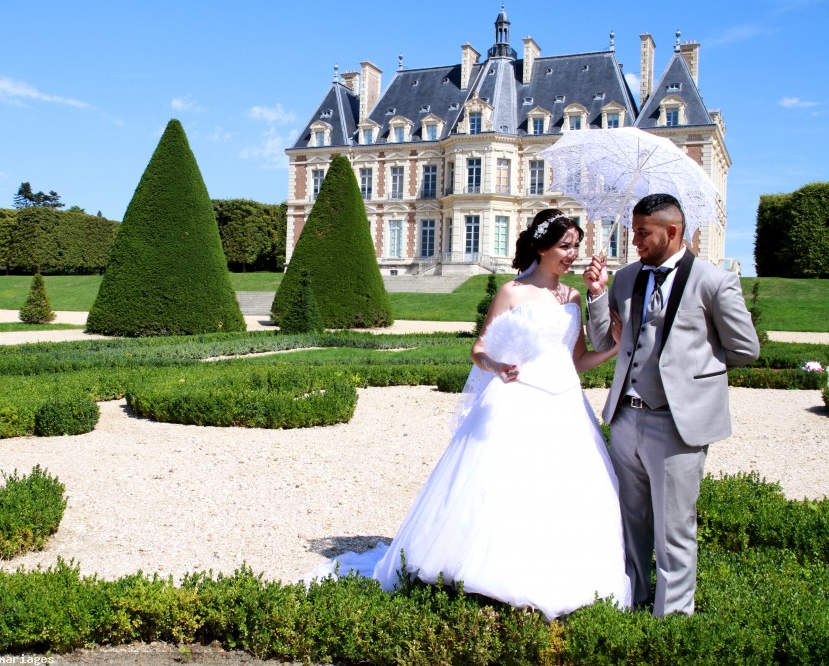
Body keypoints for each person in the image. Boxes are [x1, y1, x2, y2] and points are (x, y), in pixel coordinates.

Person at [310, 210, 631, 620]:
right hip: (517, 399)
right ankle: (491, 573)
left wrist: (614, 348)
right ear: (541, 247)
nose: (572, 254)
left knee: (562, 491)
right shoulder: (512, 292)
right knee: (504, 489)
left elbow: (577, 360)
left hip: (565, 405)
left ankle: (556, 573)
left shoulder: (571, 297)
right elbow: (479, 349)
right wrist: (496, 366)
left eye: (576, 246)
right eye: (565, 246)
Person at [583, 193, 760, 617]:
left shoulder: (714, 281)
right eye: (633, 231)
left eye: (643, 233)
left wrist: (691, 369)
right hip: (624, 418)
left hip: (676, 424)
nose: (635, 241)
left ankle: (672, 620)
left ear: (672, 231)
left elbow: (745, 349)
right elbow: (603, 341)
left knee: (673, 529)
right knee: (629, 521)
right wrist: (596, 294)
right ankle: (632, 601)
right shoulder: (625, 278)